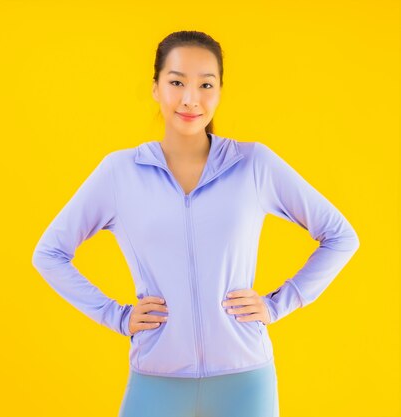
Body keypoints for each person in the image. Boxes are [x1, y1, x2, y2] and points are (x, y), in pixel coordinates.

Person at [31, 30, 360, 417]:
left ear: (220, 91)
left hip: (244, 380)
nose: (190, 98)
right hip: (156, 379)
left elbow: (341, 236)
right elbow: (49, 254)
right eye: (176, 82)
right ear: (156, 88)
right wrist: (115, 316)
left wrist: (276, 305)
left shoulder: (253, 164)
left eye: (206, 84)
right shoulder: (119, 173)